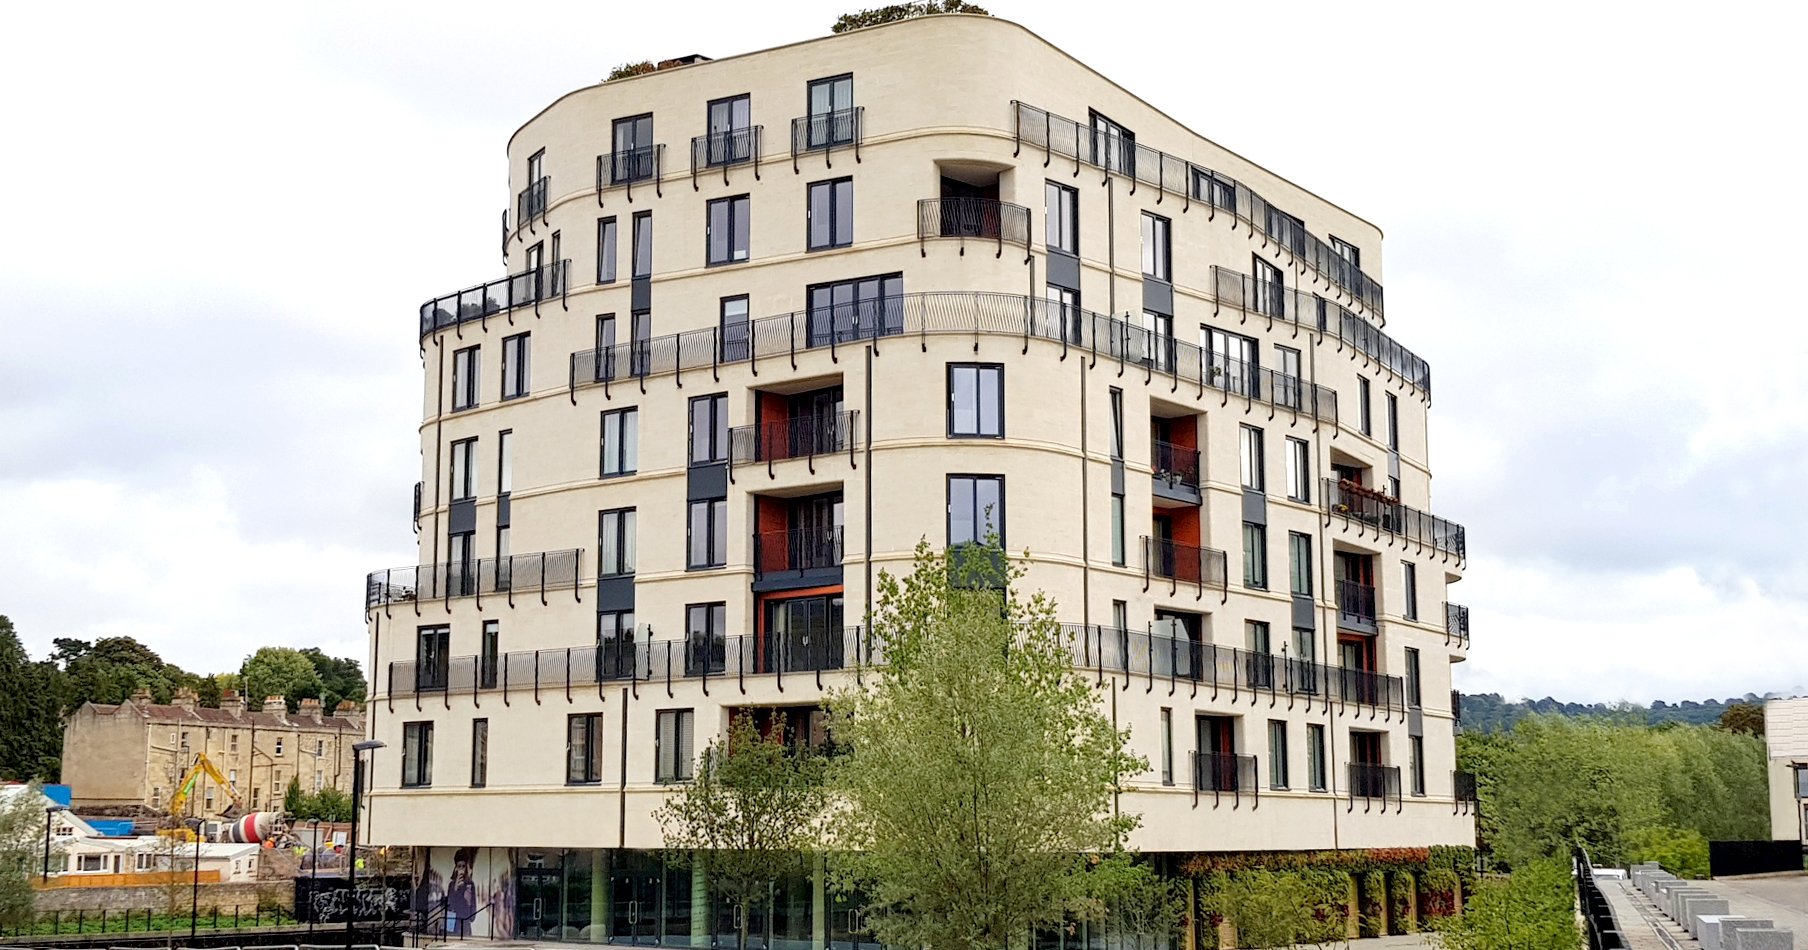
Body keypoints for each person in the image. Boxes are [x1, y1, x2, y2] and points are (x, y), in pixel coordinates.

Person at [446, 848, 478, 937]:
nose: (461, 869)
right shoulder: (452, 885)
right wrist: (455, 888)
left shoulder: (470, 884)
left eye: (463, 866)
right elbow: (449, 904)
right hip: (452, 922)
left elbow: (473, 907)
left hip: (465, 922)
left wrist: (468, 901)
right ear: (455, 868)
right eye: (459, 866)